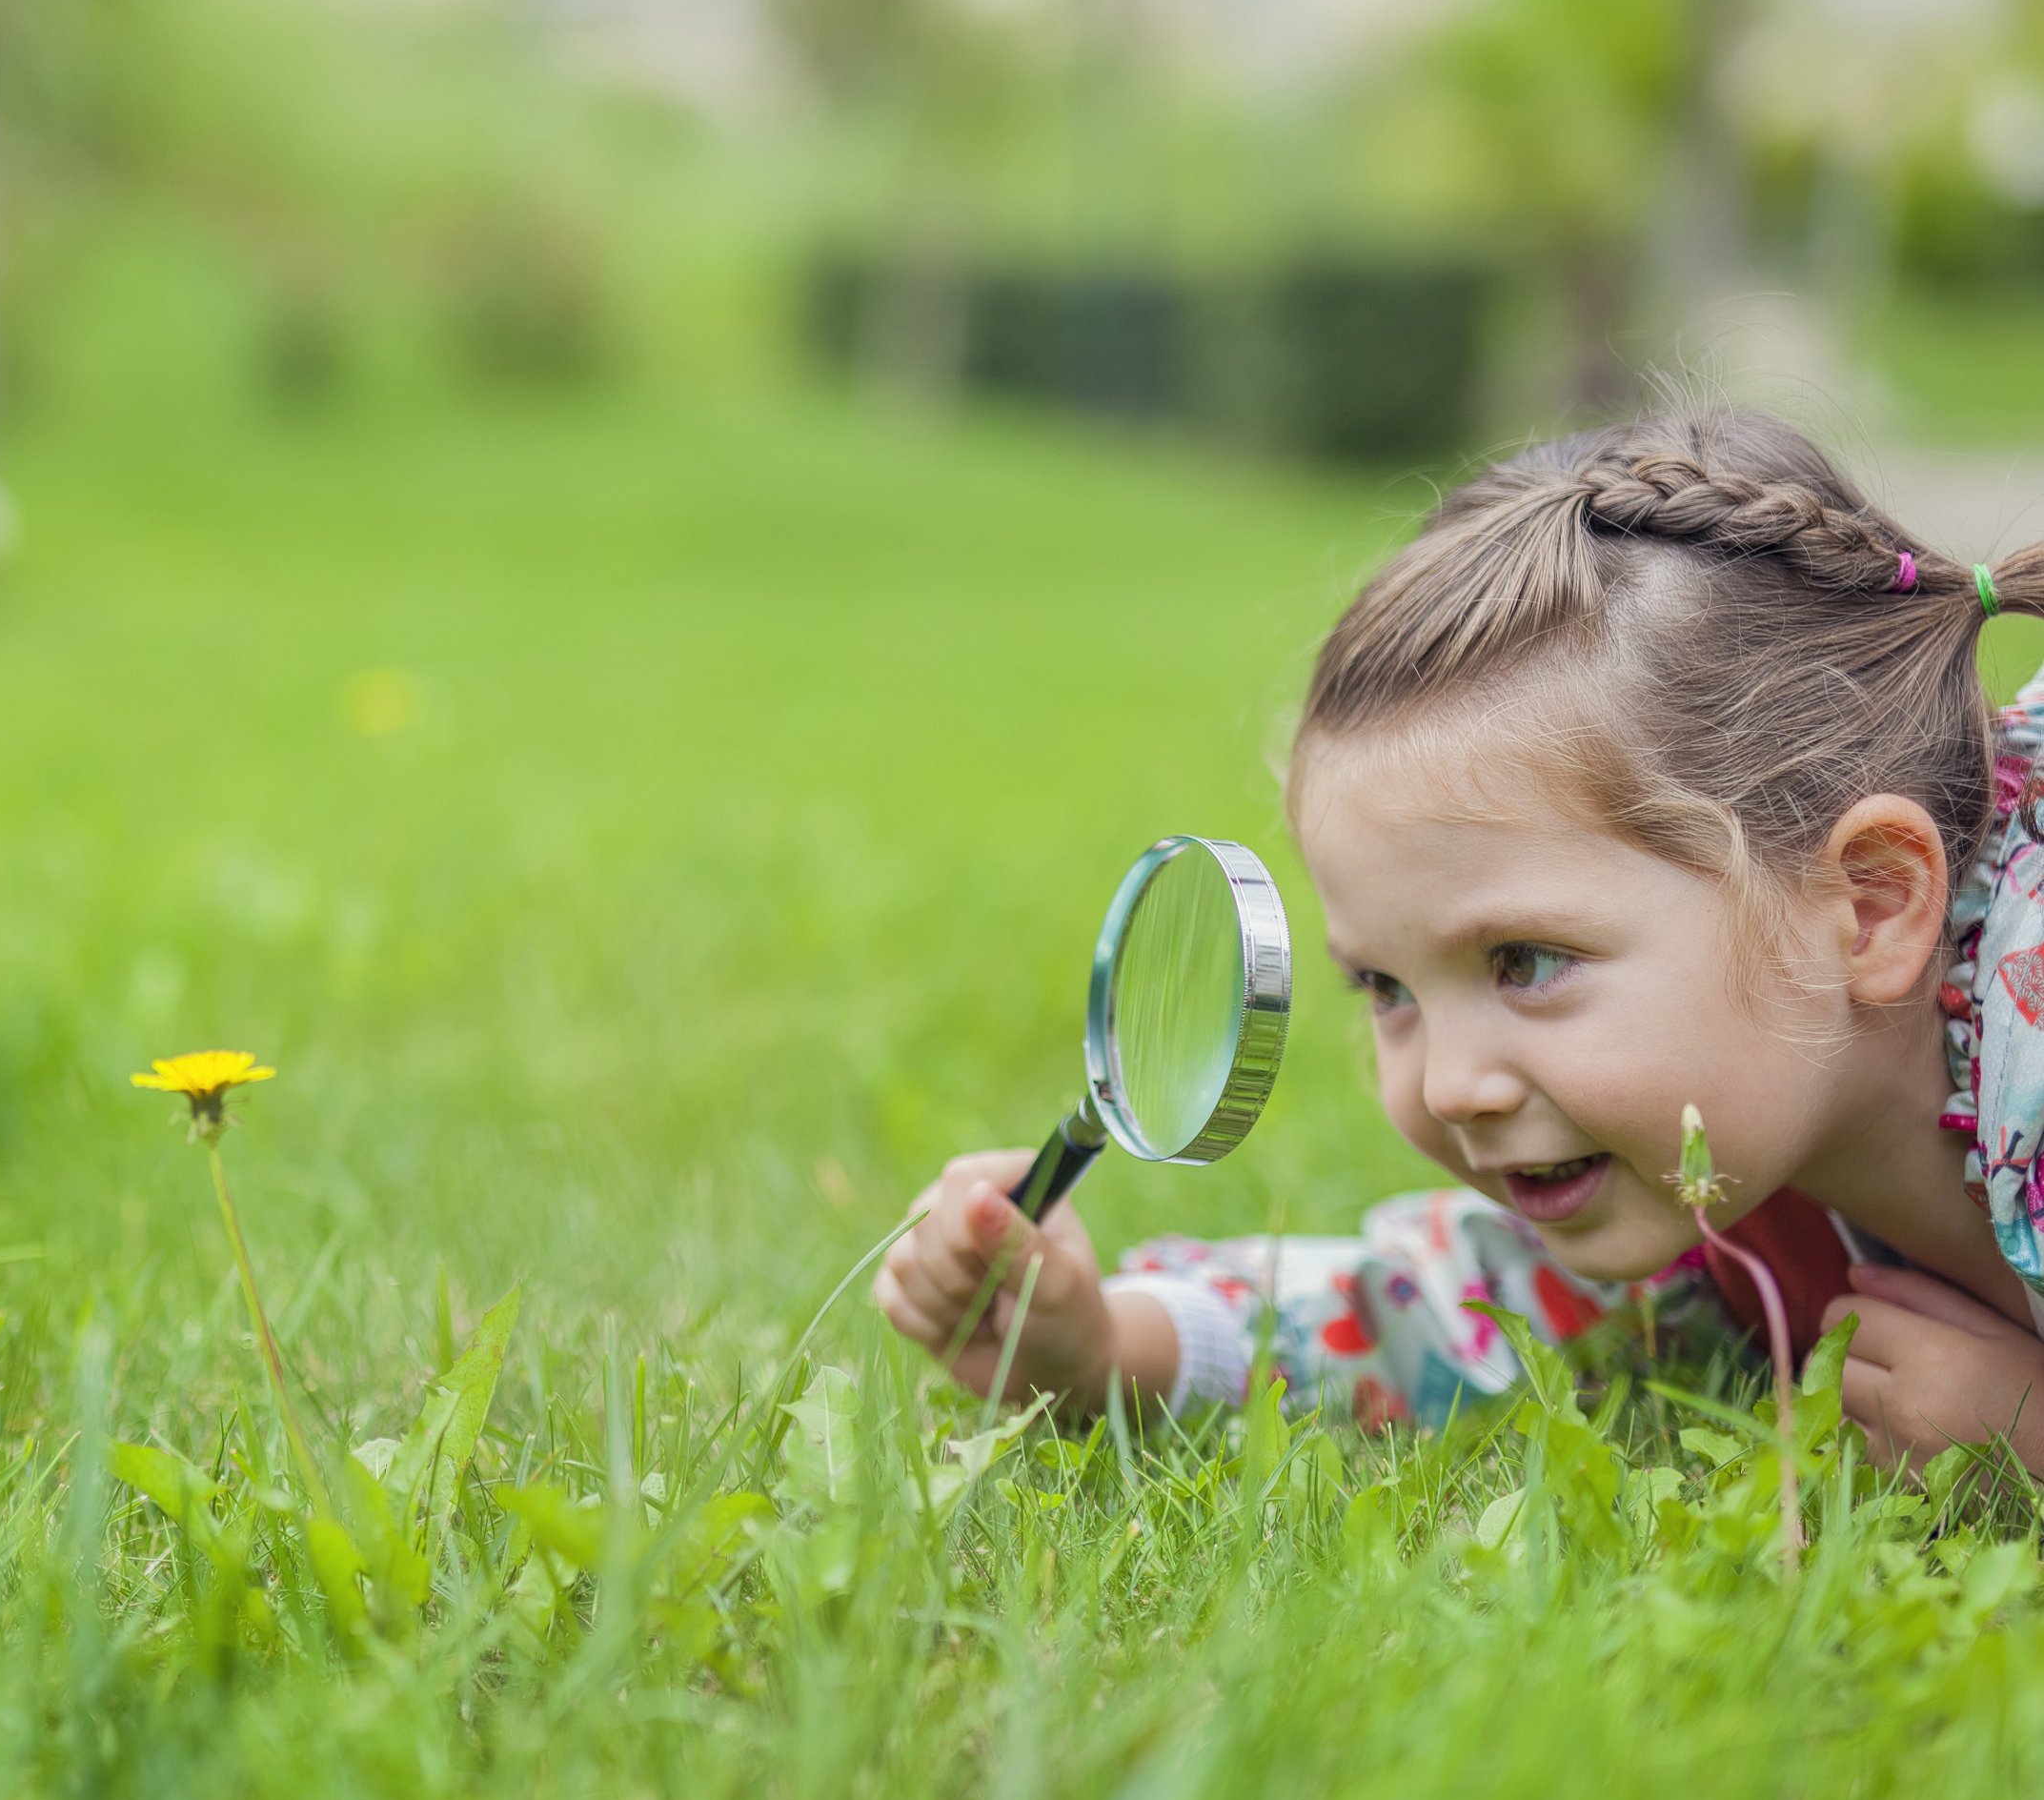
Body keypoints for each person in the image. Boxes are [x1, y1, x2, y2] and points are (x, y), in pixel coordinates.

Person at [875, 408, 2044, 1477]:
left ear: (1872, 906)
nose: (1447, 1085)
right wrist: (1103, 1344)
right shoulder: (1719, 1161)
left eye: (1525, 962)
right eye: (1386, 987)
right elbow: (1458, 1307)